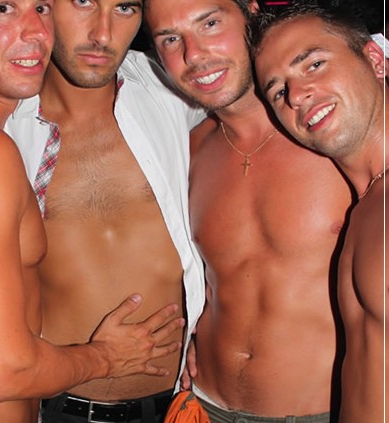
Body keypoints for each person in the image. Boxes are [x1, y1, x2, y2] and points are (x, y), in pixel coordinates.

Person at [0, 0, 186, 421]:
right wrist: (106, 357)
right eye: (4, 8)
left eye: (39, 8)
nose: (35, 30)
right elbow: (2, 372)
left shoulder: (168, 95)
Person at [143, 0, 355, 422]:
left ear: (252, 14)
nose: (194, 54)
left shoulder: (338, 133)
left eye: (210, 23)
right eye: (170, 39)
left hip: (319, 411)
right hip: (202, 404)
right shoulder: (186, 150)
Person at [4, 0, 207, 421]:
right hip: (60, 409)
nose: (102, 33)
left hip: (182, 406)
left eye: (125, 8)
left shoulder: (171, 88)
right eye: (83, 2)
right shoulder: (2, 125)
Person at [250, 4, 387, 421]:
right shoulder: (367, 203)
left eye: (313, 65)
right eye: (278, 91)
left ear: (375, 59)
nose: (296, 95)